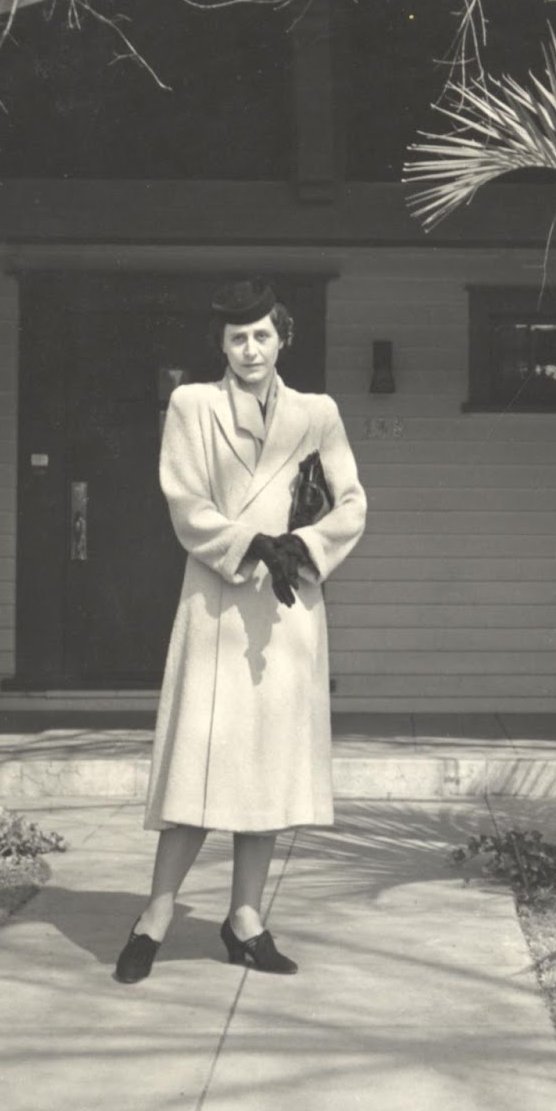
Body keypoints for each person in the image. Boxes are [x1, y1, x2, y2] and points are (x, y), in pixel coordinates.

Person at [113, 277, 366, 983]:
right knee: (199, 761)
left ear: (282, 337)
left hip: (287, 607)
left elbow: (350, 500)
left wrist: (306, 547)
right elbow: (184, 496)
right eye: (236, 338)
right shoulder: (192, 405)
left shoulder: (318, 413)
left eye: (261, 335)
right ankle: (155, 915)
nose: (249, 348)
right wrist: (246, 543)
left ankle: (245, 920)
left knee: (267, 769)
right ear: (220, 345)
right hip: (219, 601)